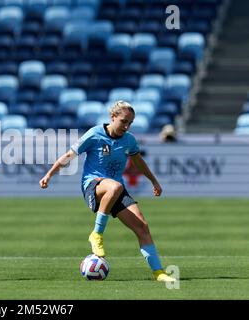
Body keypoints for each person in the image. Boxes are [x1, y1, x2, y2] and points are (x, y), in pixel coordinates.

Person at [39, 100, 176, 282]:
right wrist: (49, 175)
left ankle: (159, 273)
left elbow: (138, 162)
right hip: (93, 186)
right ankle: (96, 234)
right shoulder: (95, 134)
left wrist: (154, 181)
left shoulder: (129, 140)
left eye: (130, 123)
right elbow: (69, 155)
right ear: (112, 117)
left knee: (142, 226)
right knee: (115, 186)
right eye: (123, 121)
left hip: (115, 191)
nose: (126, 126)